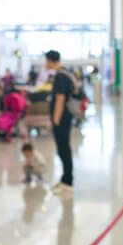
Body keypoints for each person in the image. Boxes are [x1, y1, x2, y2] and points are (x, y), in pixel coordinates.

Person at [46, 50, 75, 195]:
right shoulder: (64, 74)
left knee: (64, 149)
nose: (46, 64)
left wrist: (56, 119)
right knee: (62, 149)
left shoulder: (60, 76)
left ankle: (68, 181)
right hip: (64, 117)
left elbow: (60, 98)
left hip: (62, 118)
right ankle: (64, 179)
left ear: (51, 61)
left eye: (46, 61)